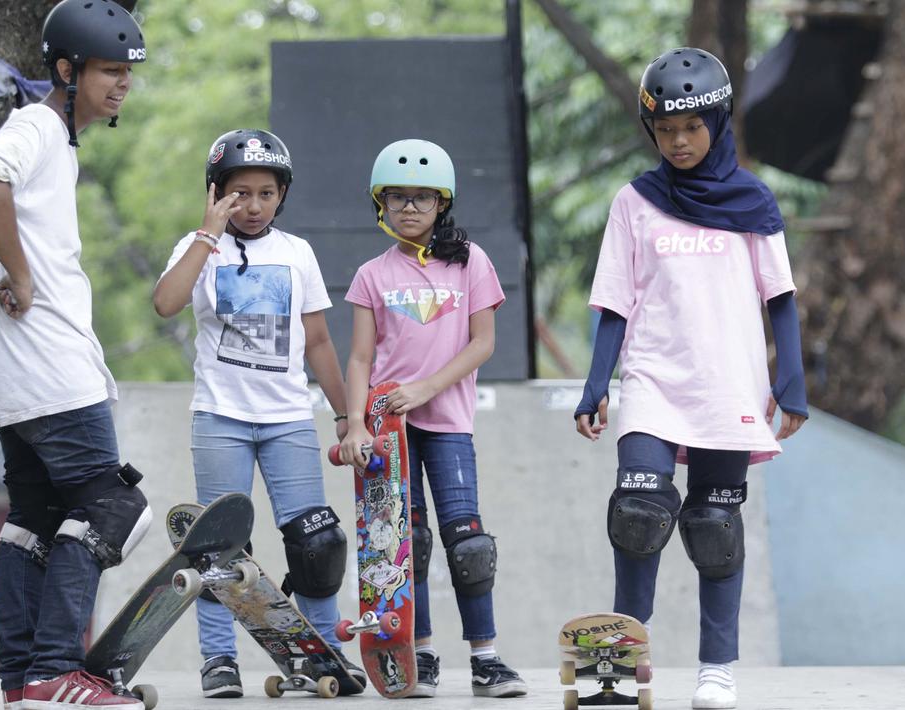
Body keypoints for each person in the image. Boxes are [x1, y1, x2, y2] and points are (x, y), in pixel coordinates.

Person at [573, 48, 808, 710]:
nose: (678, 142)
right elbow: (613, 303)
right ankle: (621, 661)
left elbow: (780, 298)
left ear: (717, 121)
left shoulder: (753, 201)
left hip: (727, 382)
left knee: (713, 525)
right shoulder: (634, 202)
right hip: (652, 379)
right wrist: (595, 385)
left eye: (691, 127)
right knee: (637, 512)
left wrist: (790, 382)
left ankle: (716, 669)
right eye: (665, 130)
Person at [0, 2, 152, 708]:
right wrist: (21, 276)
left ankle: (22, 680)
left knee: (35, 518)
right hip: (45, 363)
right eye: (108, 70)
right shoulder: (38, 126)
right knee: (112, 507)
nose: (122, 83)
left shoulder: (54, 142)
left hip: (8, 364)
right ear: (67, 70)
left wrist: (0, 273)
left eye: (127, 72)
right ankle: (54, 669)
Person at [152, 128, 365, 698]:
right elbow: (166, 303)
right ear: (215, 191)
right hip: (220, 418)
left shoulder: (296, 252)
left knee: (316, 541)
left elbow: (318, 341)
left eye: (266, 194)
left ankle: (324, 652)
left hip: (288, 418)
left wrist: (347, 416)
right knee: (218, 547)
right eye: (239, 193)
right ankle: (219, 658)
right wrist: (207, 233)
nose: (252, 206)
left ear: (282, 195)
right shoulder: (200, 247)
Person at [337, 139, 527, 698]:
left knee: (468, 544)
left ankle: (486, 660)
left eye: (422, 197)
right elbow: (360, 359)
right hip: (388, 430)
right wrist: (355, 424)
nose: (409, 208)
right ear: (381, 203)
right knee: (407, 542)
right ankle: (418, 654)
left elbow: (482, 343)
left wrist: (426, 388)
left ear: (442, 203)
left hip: (447, 422)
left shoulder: (470, 262)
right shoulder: (372, 274)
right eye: (397, 197)